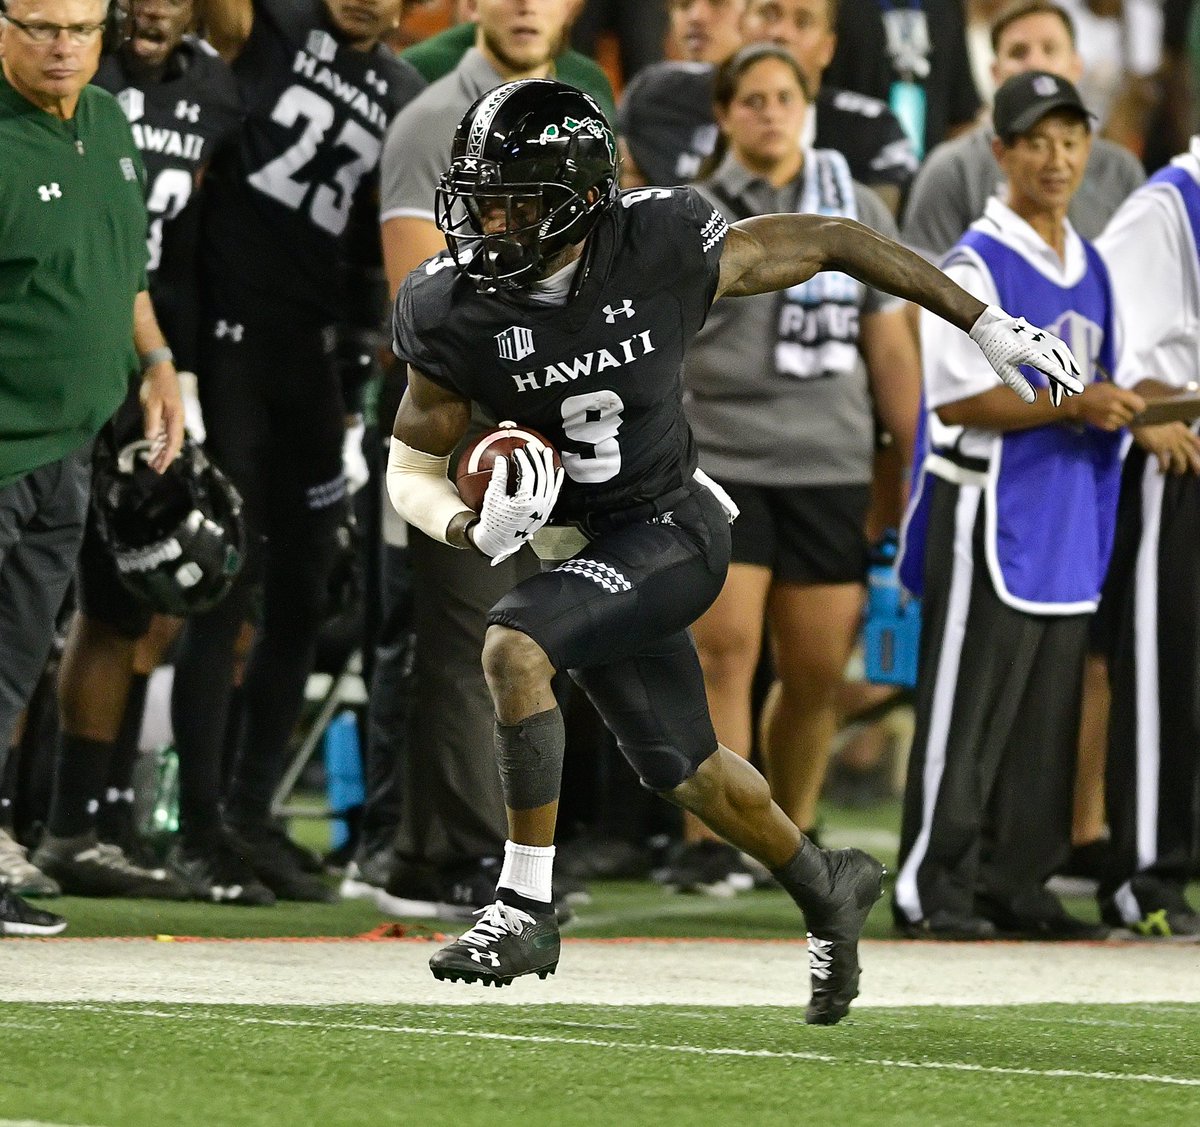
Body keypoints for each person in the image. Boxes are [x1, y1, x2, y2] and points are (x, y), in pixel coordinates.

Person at [386, 78, 1082, 1019]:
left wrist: (979, 319)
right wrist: (470, 525)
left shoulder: (662, 242)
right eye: (483, 199)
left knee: (515, 643)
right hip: (579, 548)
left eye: (517, 200)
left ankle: (521, 902)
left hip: (671, 527)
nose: (491, 222)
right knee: (690, 770)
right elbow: (409, 467)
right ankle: (825, 881)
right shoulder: (451, 306)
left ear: (584, 201)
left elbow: (836, 239)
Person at [160, 0, 423, 902]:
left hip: (313, 355)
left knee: (309, 589)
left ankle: (246, 812)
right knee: (222, 582)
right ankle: (197, 831)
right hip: (228, 337)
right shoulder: (268, 25)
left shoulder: (405, 92)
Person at [893, 70, 1142, 941]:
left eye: (1072, 139)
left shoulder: (1097, 264)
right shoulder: (975, 262)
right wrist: (1080, 402)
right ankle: (934, 884)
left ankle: (1019, 881)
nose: (1057, 157)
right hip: (988, 507)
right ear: (998, 151)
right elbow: (957, 398)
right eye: (1037, 140)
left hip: (1069, 509)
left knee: (1047, 711)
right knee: (968, 706)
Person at [673, 44, 919, 892]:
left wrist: (908, 455)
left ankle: (792, 830)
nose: (770, 112)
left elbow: (888, 344)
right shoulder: (691, 211)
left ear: (808, 106)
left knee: (817, 670)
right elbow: (658, 347)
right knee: (724, 653)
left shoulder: (853, 208)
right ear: (725, 113)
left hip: (829, 456)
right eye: (753, 100)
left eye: (785, 97)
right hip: (722, 455)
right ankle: (714, 844)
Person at [362, 0, 583, 918]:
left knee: (529, 631)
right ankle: (448, 849)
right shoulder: (429, 121)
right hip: (463, 404)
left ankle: (462, 845)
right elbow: (423, 296)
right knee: (463, 637)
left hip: (556, 404)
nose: (527, 4)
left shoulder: (580, 108)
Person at [28, 0, 244, 900]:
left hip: (136, 364)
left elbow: (144, 256)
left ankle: (76, 823)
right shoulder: (54, 83)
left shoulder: (204, 92)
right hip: (35, 372)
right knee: (19, 614)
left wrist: (163, 364)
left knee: (125, 604)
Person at [1091, 136, 1200, 938]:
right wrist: (1152, 404)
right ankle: (1145, 876)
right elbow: (1101, 327)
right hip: (1184, 461)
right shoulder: (1171, 202)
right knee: (1169, 677)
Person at [619, 0, 918, 216]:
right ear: (742, 23)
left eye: (802, 22)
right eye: (768, 13)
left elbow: (872, 248)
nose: (780, 34)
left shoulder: (873, 131)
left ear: (828, 48)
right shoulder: (659, 99)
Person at [902, 0, 1145, 258]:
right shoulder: (952, 169)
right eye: (1019, 52)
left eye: (1050, 49)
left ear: (1076, 67)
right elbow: (918, 284)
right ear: (995, 73)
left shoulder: (1121, 171)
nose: (1035, 63)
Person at [399, 0, 616, 123]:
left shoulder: (591, 82)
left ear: (571, 6)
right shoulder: (422, 69)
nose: (527, 5)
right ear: (471, 5)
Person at [822, 0, 981, 160]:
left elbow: (962, 114)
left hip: (931, 167)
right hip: (850, 166)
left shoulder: (949, 6)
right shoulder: (840, 6)